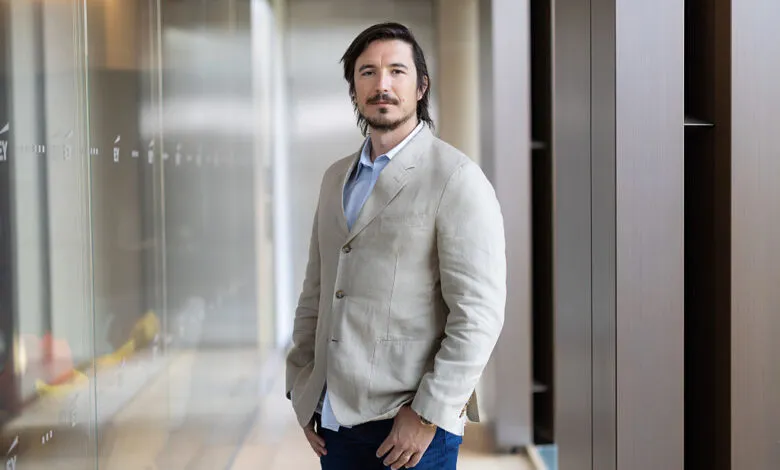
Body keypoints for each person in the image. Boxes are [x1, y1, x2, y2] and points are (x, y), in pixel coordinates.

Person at [285, 22, 506, 470]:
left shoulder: (456, 179)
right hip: (333, 421)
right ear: (354, 87)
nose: (381, 84)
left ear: (421, 86)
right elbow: (317, 290)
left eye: (396, 71)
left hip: (410, 427)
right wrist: (302, 387)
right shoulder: (335, 178)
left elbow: (478, 315)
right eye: (367, 72)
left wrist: (426, 414)